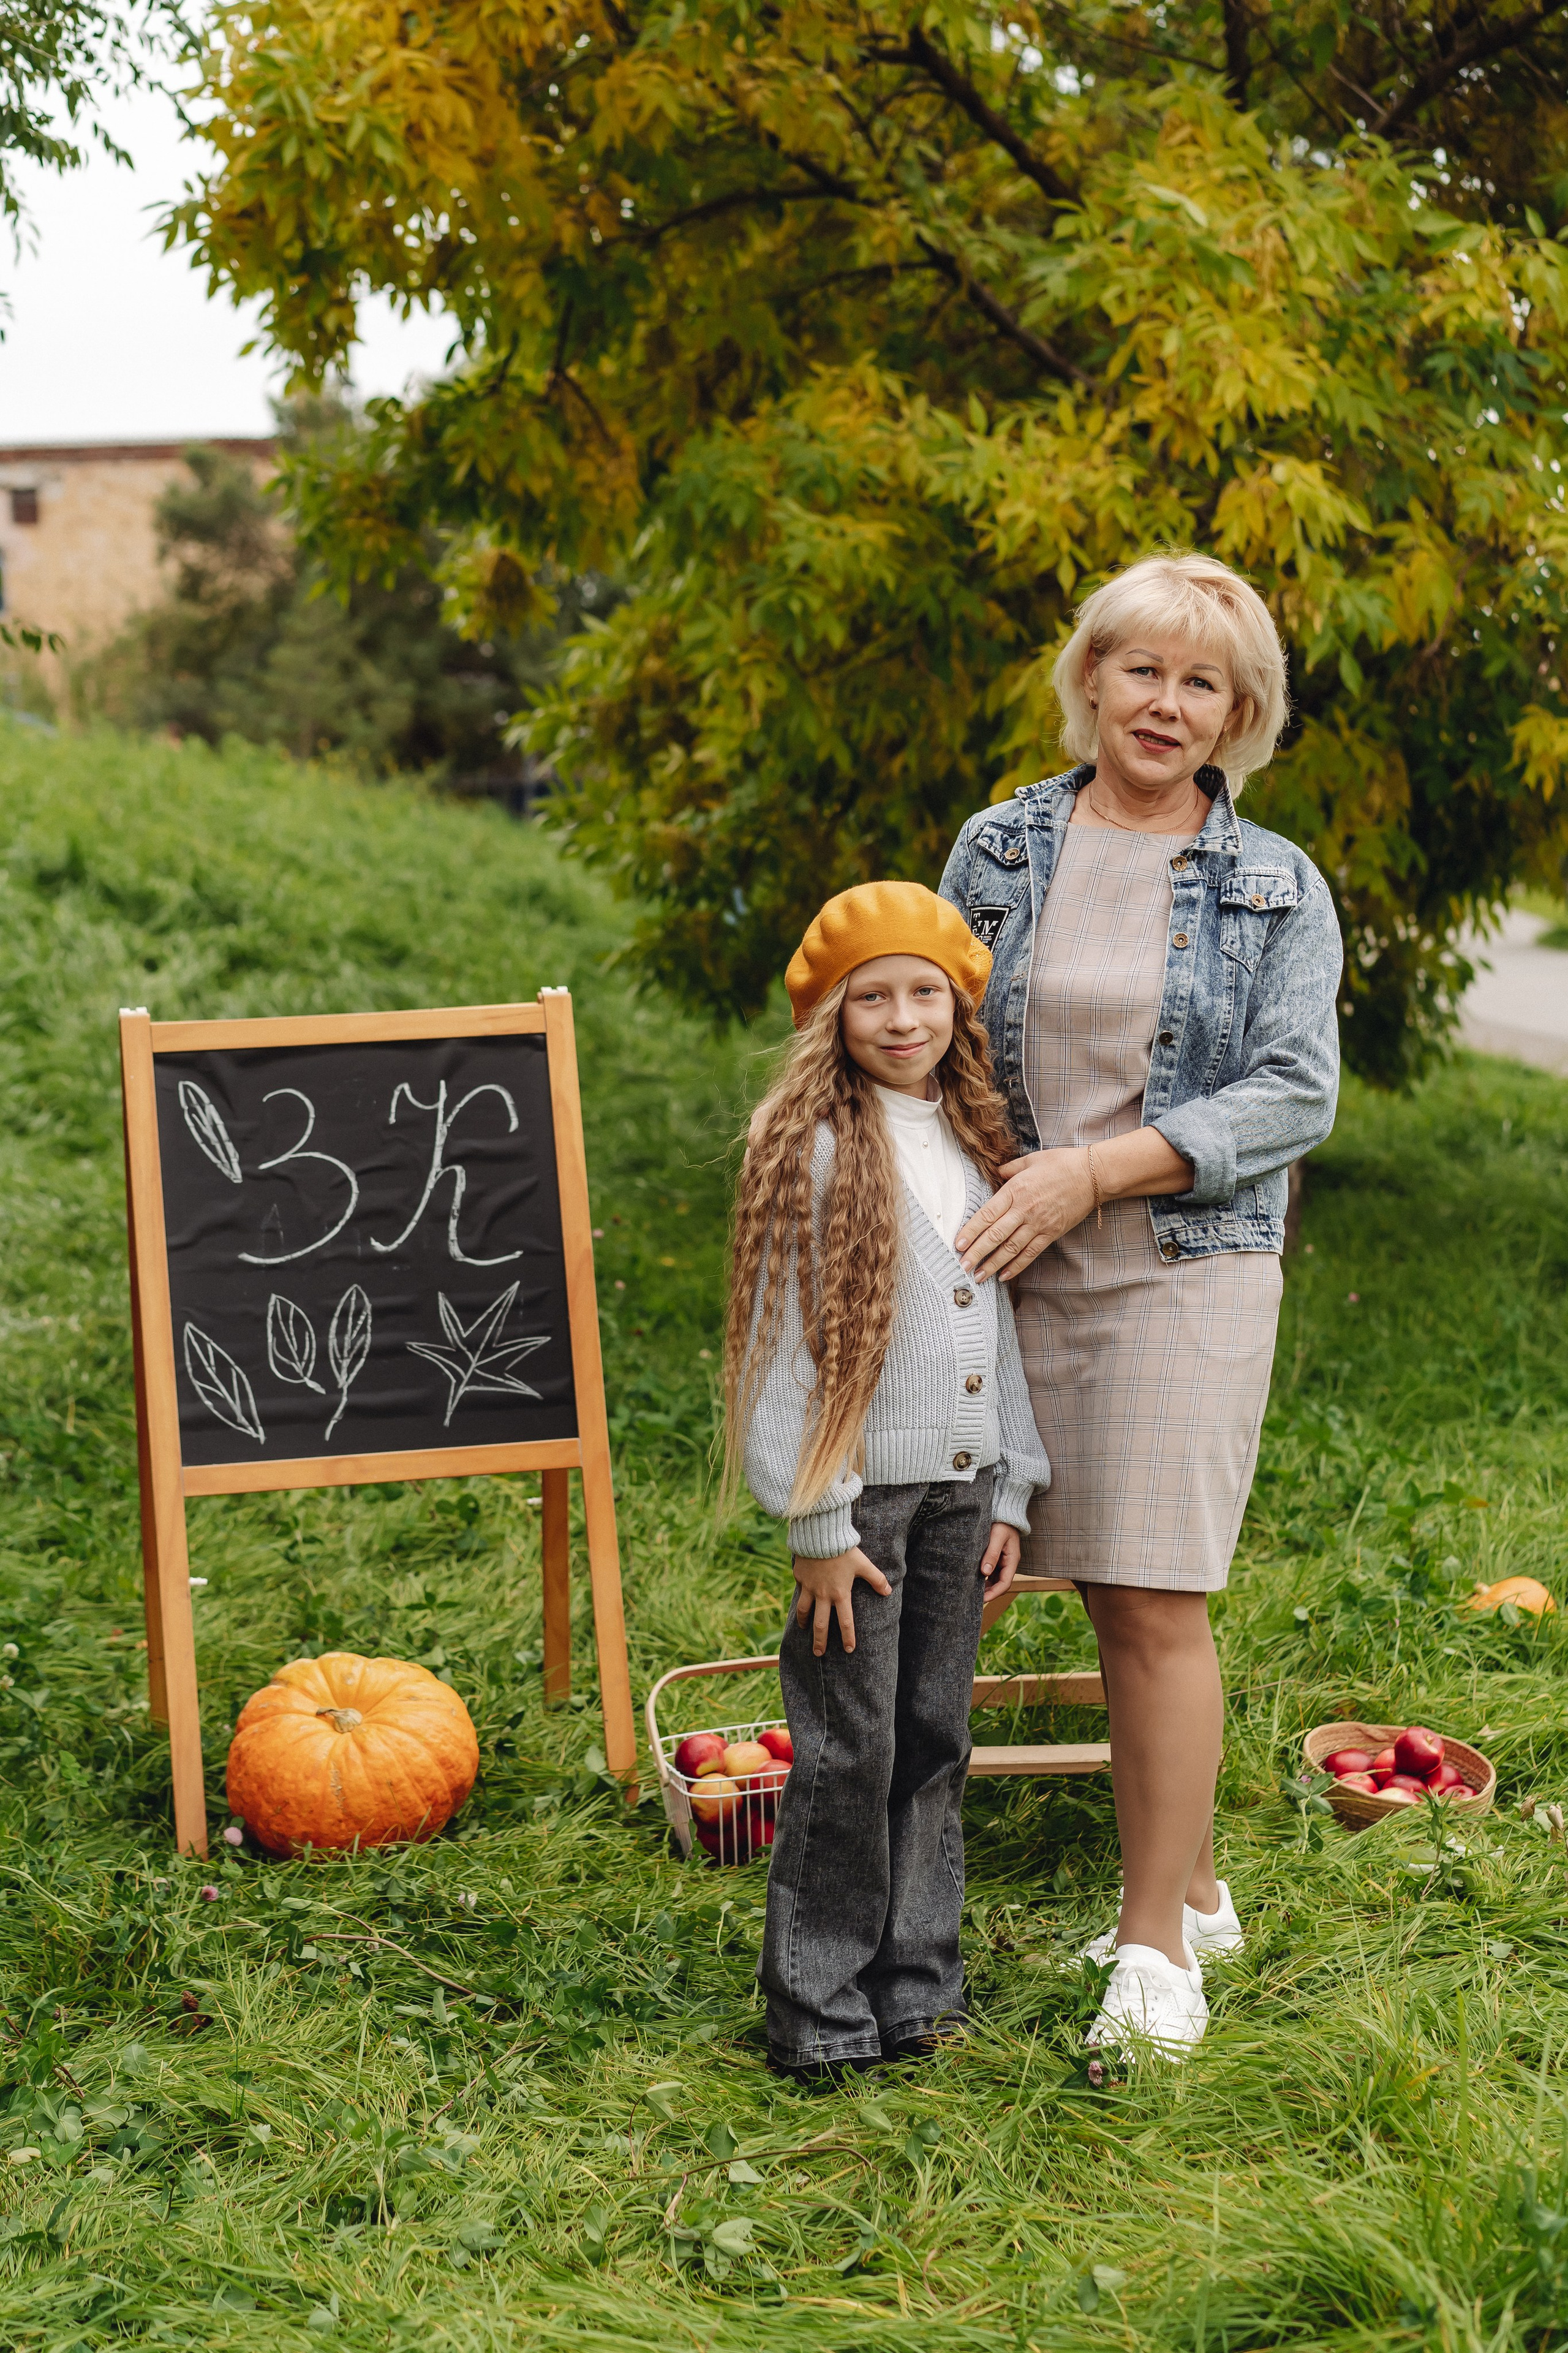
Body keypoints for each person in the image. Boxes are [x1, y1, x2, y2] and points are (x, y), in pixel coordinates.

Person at [938, 552, 1343, 2058]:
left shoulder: (1273, 882)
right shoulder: (994, 848)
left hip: (1183, 1257)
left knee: (1146, 1595)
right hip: (1007, 1253)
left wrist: (1088, 1173)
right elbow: (935, 1041)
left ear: (1235, 715)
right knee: (980, 1565)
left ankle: (1155, 1946)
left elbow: (1294, 1091)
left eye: (1200, 684)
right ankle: (1199, 1877)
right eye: (1139, 671)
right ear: (1089, 680)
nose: (1163, 704)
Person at [725, 880, 1052, 2082]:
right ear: (833, 1013)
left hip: (962, 1497)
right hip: (858, 1511)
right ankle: (817, 2005)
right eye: (874, 996)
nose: (903, 1016)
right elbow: (783, 1345)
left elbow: (999, 1328)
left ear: (956, 1007)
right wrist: (813, 1518)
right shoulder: (811, 1151)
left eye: (925, 991)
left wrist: (1012, 1485)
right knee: (848, 1747)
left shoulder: (970, 1142)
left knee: (932, 1734)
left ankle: (916, 1984)